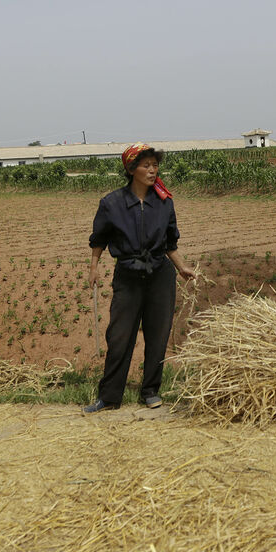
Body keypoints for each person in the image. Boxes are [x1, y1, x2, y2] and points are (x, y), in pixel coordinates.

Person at [83, 143, 196, 413]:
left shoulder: (164, 203)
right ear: (131, 168)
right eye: (146, 165)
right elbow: (99, 239)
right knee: (120, 335)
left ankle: (150, 390)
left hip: (160, 274)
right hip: (128, 275)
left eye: (155, 165)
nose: (152, 170)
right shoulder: (111, 203)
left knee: (158, 335)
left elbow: (170, 243)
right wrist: (94, 267)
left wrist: (181, 267)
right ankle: (109, 397)